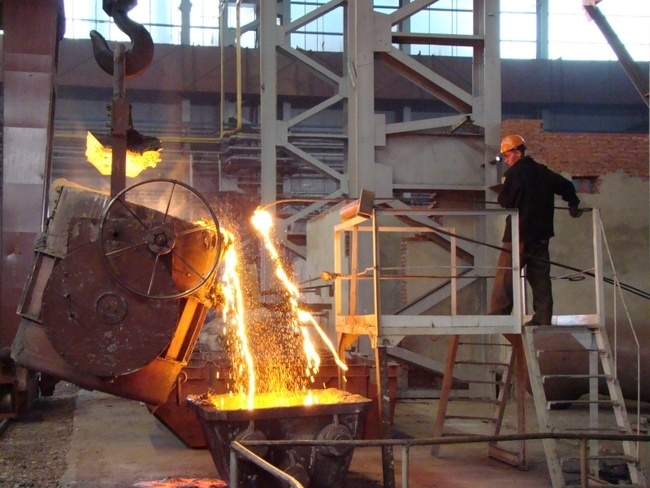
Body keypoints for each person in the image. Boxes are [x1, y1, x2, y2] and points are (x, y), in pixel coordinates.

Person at [490, 134, 583, 325]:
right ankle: (542, 317)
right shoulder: (542, 171)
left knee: (506, 275)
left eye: (507, 156)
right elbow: (566, 185)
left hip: (518, 235)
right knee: (540, 277)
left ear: (517, 153)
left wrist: (507, 189)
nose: (506, 160)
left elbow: (505, 201)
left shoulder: (515, 173)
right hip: (541, 236)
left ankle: (498, 315)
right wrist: (573, 204)